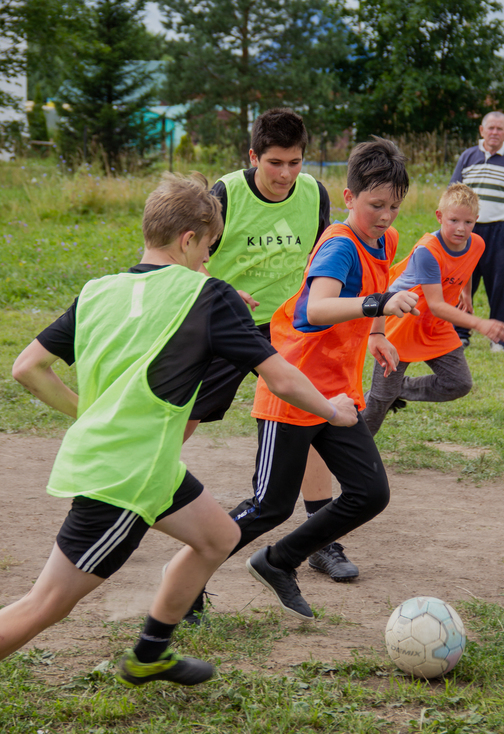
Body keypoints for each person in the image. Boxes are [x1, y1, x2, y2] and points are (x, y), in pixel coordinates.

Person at [0, 173, 358, 684]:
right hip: (127, 477)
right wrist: (332, 410)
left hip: (148, 464)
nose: (208, 262)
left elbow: (27, 367)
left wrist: (88, 413)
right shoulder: (208, 295)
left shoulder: (99, 290)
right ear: (188, 239)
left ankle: (150, 654)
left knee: (218, 537)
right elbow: (278, 374)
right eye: (208, 249)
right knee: (47, 603)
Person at [176, 138, 418, 621]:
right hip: (294, 390)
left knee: (370, 493)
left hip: (338, 394)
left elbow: (377, 289)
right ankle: (181, 584)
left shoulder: (385, 240)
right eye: (375, 205)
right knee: (270, 505)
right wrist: (378, 308)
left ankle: (278, 560)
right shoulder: (338, 245)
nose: (386, 216)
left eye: (393, 206)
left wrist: (375, 334)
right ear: (348, 199)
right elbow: (316, 308)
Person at [184, 107, 359, 588]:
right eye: (275, 162)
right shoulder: (224, 193)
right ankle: (125, 501)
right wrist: (217, 290)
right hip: (223, 321)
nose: (285, 174)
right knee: (182, 419)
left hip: (288, 330)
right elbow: (187, 257)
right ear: (253, 155)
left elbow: (319, 258)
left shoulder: (313, 194)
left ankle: (322, 540)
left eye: (295, 162)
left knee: (312, 416)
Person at [361, 183, 504, 436]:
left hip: (434, 326)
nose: (461, 229)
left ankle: (399, 389)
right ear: (440, 216)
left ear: (476, 221)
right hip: (402, 323)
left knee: (458, 383)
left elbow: (468, 264)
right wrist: (480, 323)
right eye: (454, 220)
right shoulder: (428, 252)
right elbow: (437, 305)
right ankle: (352, 450)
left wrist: (465, 292)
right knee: (379, 402)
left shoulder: (476, 243)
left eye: (468, 222)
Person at [450, 111, 504, 352]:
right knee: (463, 280)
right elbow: (453, 194)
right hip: (468, 230)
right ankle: (460, 333)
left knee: (498, 285)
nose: (495, 132)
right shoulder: (468, 157)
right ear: (482, 130)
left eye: (500, 129)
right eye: (491, 128)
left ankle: (499, 337)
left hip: (500, 230)